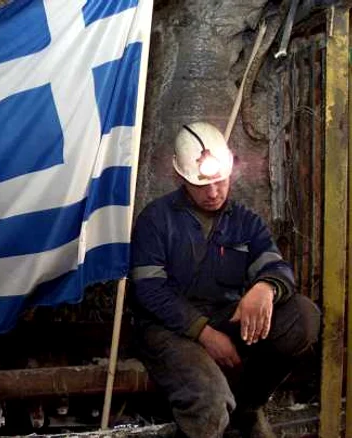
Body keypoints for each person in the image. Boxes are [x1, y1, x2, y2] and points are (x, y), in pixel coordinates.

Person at [129, 122, 321, 438]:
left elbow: (277, 266)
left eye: (220, 181)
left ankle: (248, 407)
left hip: (224, 318)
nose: (214, 192)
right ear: (180, 178)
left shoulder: (245, 220)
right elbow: (149, 291)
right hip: (167, 329)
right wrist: (203, 332)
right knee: (211, 402)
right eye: (202, 185)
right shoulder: (156, 219)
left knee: (303, 317)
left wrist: (266, 287)